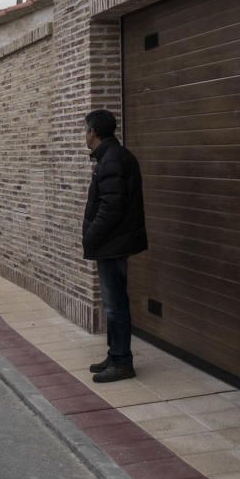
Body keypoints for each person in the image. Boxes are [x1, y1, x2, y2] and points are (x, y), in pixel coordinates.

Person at [82, 109, 148, 383]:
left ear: (94, 132)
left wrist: (90, 236)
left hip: (113, 244)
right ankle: (115, 354)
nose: (83, 135)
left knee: (115, 305)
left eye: (85, 130)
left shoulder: (112, 161)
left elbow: (111, 209)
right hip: (114, 243)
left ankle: (122, 362)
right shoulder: (112, 157)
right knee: (113, 303)